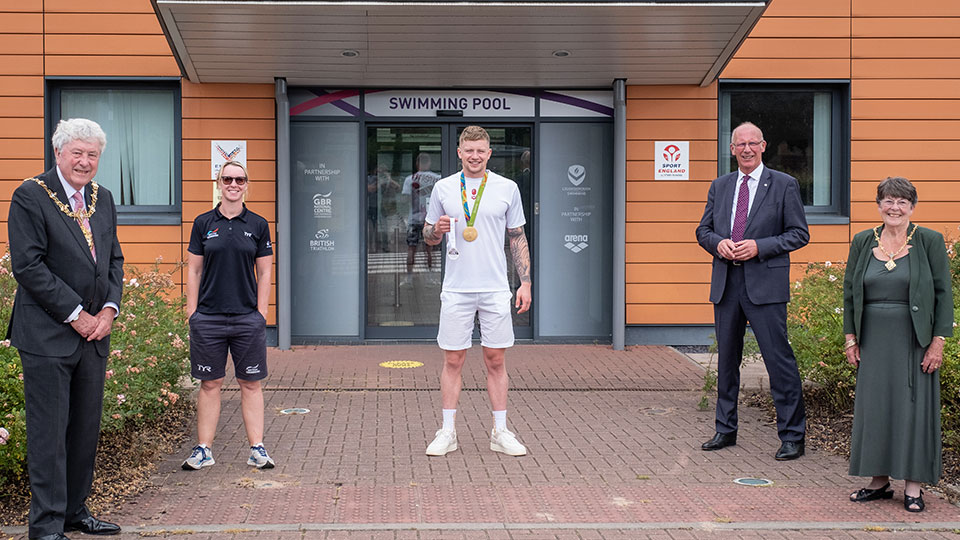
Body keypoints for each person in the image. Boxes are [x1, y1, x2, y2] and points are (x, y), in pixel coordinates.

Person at [7, 118, 124, 539]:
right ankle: (45, 524)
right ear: (58, 152)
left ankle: (75, 511)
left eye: (92, 154)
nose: (85, 161)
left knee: (83, 431)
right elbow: (29, 266)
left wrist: (108, 310)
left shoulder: (103, 197)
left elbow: (113, 260)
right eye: (77, 152)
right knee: (49, 433)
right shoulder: (30, 196)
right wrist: (77, 314)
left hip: (94, 336)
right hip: (48, 336)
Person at [695, 121, 809, 461]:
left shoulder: (784, 185)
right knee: (726, 363)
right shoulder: (720, 185)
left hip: (766, 287)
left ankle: (792, 436)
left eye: (752, 143)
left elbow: (799, 234)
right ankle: (725, 430)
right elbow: (703, 230)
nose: (746, 149)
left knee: (779, 362)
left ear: (763, 146)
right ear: (732, 150)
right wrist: (719, 244)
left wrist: (760, 246)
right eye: (740, 144)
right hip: (727, 285)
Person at [843, 176, 953, 513]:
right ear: (879, 205)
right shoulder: (863, 241)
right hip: (873, 340)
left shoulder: (929, 241)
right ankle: (878, 483)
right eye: (888, 201)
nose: (895, 207)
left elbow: (943, 294)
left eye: (902, 202)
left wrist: (938, 342)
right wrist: (850, 337)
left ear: (912, 207)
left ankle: (914, 487)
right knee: (875, 408)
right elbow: (850, 292)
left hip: (914, 339)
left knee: (912, 408)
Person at [422, 126, 532, 457]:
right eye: (469, 150)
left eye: (480, 150)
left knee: (495, 359)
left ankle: (500, 431)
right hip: (456, 289)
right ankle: (448, 431)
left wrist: (525, 282)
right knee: (453, 359)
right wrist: (435, 231)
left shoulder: (506, 188)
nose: (475, 156)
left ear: (489, 153)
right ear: (459, 152)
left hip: (495, 287)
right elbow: (428, 234)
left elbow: (517, 236)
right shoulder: (442, 188)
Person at [182, 160, 275, 471]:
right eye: (227, 179)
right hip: (208, 318)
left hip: (247, 317)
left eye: (239, 179)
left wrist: (261, 313)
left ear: (247, 185)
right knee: (210, 383)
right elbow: (194, 270)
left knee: (251, 383)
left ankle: (257, 449)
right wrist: (192, 312)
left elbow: (265, 273)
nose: (233, 184)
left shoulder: (259, 225)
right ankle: (204, 450)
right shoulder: (203, 223)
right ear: (218, 184)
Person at [401, 153, 440, 282]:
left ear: (417, 164)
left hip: (414, 219)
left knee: (411, 249)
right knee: (429, 249)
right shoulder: (437, 179)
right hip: (429, 219)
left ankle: (409, 278)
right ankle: (430, 278)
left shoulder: (409, 179)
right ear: (429, 163)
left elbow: (406, 199)